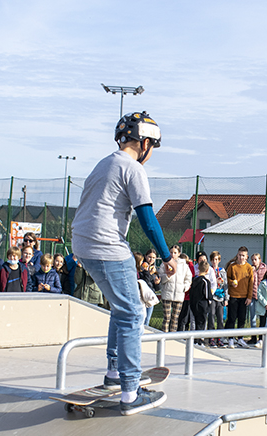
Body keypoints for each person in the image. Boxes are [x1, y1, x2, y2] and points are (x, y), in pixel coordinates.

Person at [71, 111, 176, 415]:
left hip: (84, 243)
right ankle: (130, 391)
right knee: (133, 312)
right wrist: (167, 257)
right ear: (145, 143)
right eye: (152, 148)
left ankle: (115, 371)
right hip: (107, 246)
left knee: (122, 307)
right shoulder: (132, 169)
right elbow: (147, 218)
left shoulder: (104, 163)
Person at [225, 246, 254, 348]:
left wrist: (249, 297)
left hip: (244, 296)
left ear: (246, 257)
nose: (241, 257)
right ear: (237, 255)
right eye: (240, 255)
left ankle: (240, 338)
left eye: (243, 255)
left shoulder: (249, 268)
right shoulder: (232, 267)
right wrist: (232, 282)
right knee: (232, 318)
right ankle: (230, 339)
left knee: (242, 318)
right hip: (233, 296)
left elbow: (251, 283)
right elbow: (227, 279)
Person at [158, 244, 191, 332]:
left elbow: (188, 278)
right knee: (167, 318)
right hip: (167, 294)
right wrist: (167, 276)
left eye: (175, 253)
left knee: (175, 319)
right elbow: (160, 278)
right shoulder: (164, 263)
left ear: (179, 253)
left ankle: (172, 337)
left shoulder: (184, 265)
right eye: (171, 252)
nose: (173, 254)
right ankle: (164, 336)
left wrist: (185, 287)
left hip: (179, 295)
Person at [189, 260, 212, 344]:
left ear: (198, 268)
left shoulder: (194, 280)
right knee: (201, 323)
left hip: (194, 304)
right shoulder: (205, 281)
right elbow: (207, 295)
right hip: (202, 305)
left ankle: (196, 340)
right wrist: (210, 301)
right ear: (207, 270)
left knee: (195, 322)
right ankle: (199, 341)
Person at [208, 251, 228, 345]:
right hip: (212, 297)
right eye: (213, 260)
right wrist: (214, 281)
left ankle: (220, 338)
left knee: (220, 318)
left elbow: (226, 285)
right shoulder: (209, 270)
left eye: (216, 259)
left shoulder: (222, 271)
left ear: (219, 260)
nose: (214, 261)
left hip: (220, 297)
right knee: (211, 316)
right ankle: (211, 338)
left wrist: (226, 299)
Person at [248, 253, 267, 345]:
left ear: (260, 260)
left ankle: (262, 337)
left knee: (263, 318)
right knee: (252, 318)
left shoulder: (264, 269)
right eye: (252, 260)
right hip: (252, 296)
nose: (254, 261)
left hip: (261, 297)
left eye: (255, 259)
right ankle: (253, 337)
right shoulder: (250, 269)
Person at [137, 251, 160, 326]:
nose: (151, 259)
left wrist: (157, 283)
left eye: (153, 258)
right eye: (150, 257)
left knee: (147, 320)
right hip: (142, 296)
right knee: (141, 318)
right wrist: (149, 273)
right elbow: (144, 283)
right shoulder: (142, 268)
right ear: (145, 256)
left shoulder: (154, 269)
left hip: (150, 296)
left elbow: (156, 288)